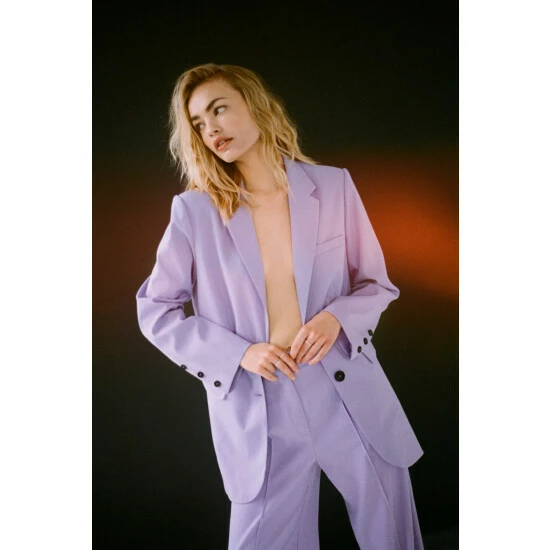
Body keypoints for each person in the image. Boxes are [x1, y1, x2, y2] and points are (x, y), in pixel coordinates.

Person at [136, 62, 424, 549]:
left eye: (219, 109)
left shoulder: (332, 186)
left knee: (391, 534)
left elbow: (376, 284)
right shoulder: (195, 212)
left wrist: (336, 318)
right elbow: (155, 309)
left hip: (347, 391)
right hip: (262, 404)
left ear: (256, 104)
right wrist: (239, 354)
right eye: (199, 124)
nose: (211, 129)